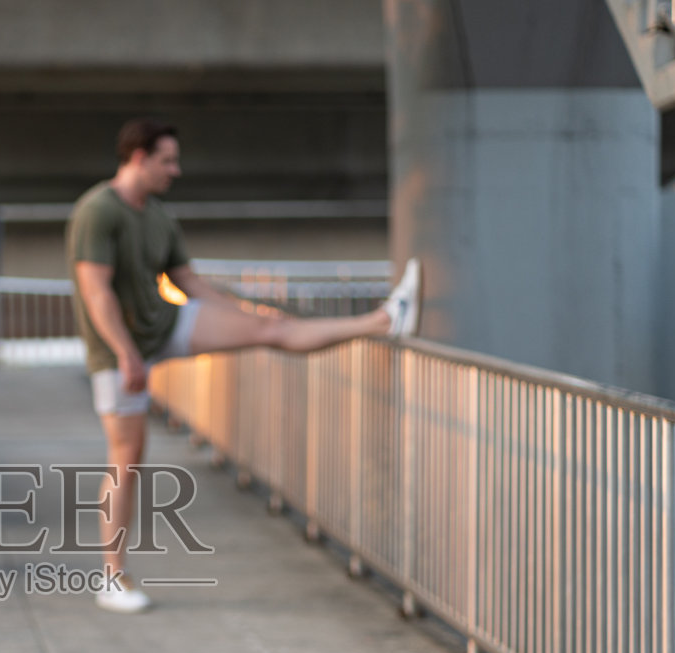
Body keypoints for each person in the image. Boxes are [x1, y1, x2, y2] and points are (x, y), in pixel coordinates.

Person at [67, 118, 421, 613]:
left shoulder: (158, 216)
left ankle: (386, 319)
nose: (176, 169)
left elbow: (191, 284)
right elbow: (95, 292)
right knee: (126, 460)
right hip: (117, 348)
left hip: (164, 324)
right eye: (167, 160)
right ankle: (112, 577)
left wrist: (248, 316)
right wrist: (127, 354)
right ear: (138, 157)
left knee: (271, 330)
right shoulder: (98, 211)